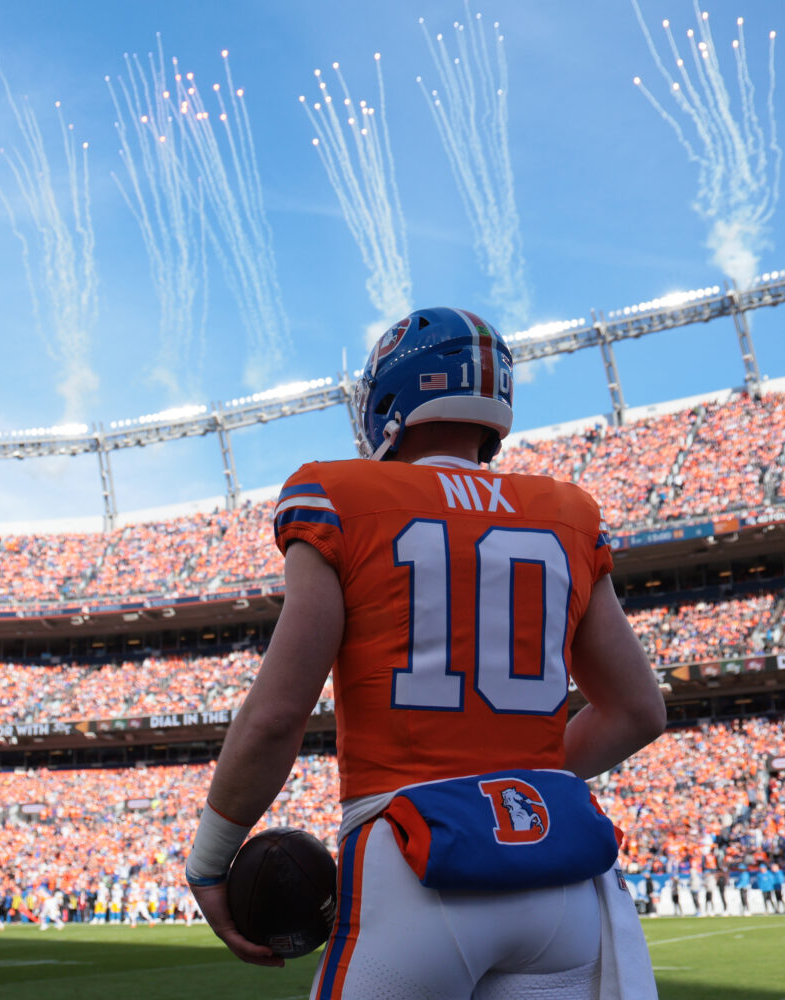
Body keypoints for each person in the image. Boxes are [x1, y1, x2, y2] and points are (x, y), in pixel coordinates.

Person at [185, 308, 666, 997]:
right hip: (559, 874)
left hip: (413, 864)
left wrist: (210, 863)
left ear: (392, 397)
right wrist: (506, 794)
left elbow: (277, 714)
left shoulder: (337, 495)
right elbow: (638, 711)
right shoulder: (567, 512)